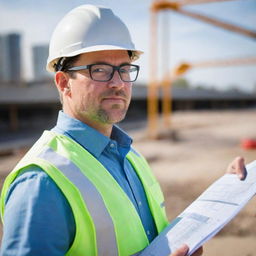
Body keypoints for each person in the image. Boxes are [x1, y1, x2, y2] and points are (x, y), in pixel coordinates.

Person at [0, 5, 247, 256]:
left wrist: (223, 194)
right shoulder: (42, 182)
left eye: (125, 70)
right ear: (64, 83)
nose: (118, 83)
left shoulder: (130, 157)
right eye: (99, 70)